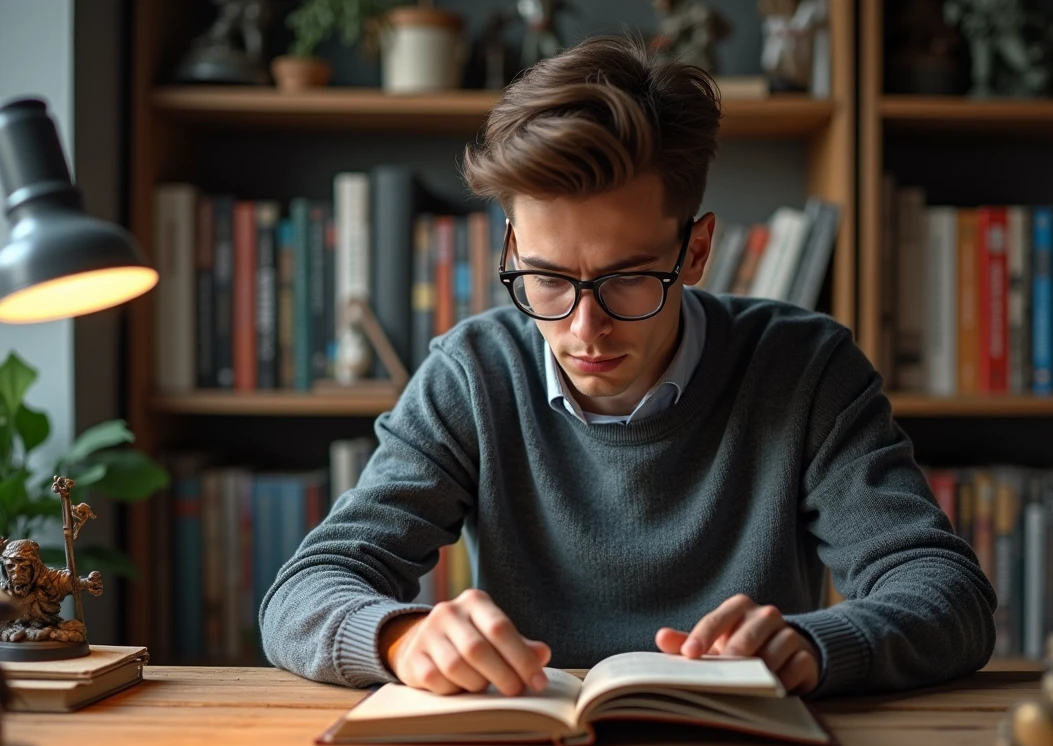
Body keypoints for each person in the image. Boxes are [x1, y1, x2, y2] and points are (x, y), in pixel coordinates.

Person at [260, 35, 996, 700]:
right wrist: (403, 638)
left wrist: (812, 645)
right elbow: (304, 592)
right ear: (512, 250)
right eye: (545, 279)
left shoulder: (804, 369)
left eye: (628, 279)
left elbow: (947, 594)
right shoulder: (471, 374)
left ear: (697, 252)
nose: (584, 328)